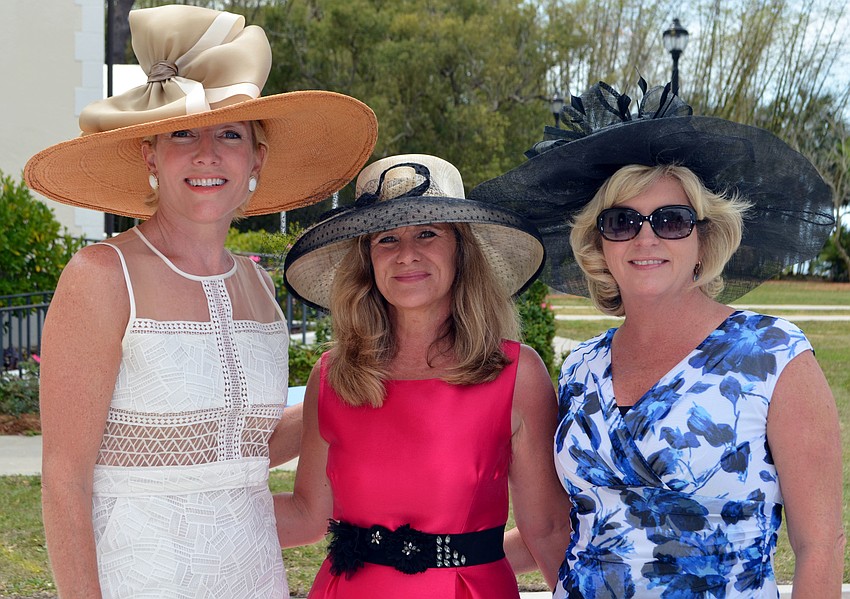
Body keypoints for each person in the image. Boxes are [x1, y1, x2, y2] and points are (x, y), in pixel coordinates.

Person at [24, 5, 377, 598]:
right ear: (150, 155)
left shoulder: (259, 286)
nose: (207, 153)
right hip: (138, 580)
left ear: (256, 160)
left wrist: (341, 383)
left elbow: (235, 448)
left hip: (255, 579)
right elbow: (64, 482)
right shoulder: (102, 277)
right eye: (182, 132)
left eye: (230, 134)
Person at [470, 81, 844, 597]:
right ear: (599, 242)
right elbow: (575, 524)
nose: (646, 238)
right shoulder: (581, 368)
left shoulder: (773, 355)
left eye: (671, 220)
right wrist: (437, 557)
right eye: (622, 221)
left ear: (703, 239)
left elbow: (819, 545)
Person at [275, 154, 570, 597]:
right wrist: (175, 508)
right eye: (386, 239)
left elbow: (546, 528)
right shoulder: (333, 375)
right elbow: (306, 515)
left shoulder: (516, 373)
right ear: (368, 261)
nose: (406, 254)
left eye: (428, 233)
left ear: (461, 249)